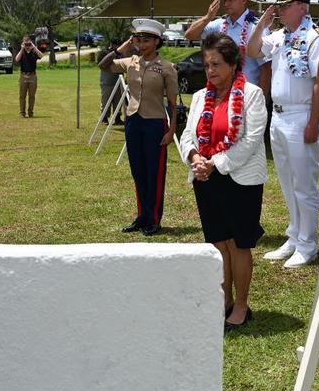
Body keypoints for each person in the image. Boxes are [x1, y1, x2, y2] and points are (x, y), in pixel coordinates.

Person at [180, 32, 268, 331]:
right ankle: (223, 300)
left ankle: (241, 305)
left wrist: (215, 164)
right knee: (218, 244)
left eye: (216, 64)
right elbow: (188, 135)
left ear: (233, 64)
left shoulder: (252, 94)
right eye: (206, 65)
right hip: (205, 178)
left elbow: (252, 139)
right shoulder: (199, 97)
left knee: (238, 244)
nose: (211, 71)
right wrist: (195, 159)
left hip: (240, 180)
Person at [246, 0, 319, 268]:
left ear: (302, 7)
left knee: (304, 184)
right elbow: (253, 49)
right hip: (280, 114)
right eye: (279, 6)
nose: (280, 10)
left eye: (286, 5)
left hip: (302, 113)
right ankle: (294, 236)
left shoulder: (314, 37)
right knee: (286, 181)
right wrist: (261, 24)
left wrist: (314, 121)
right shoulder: (280, 36)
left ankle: (308, 244)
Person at [99, 19, 178, 236]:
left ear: (156, 42)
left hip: (155, 123)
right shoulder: (130, 62)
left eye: (146, 40)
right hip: (133, 121)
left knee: (155, 172)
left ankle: (154, 219)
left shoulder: (167, 68)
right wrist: (120, 48)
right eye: (138, 40)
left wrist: (171, 131)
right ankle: (142, 216)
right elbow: (103, 65)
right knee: (138, 171)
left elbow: (173, 103)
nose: (141, 44)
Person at [184, 0, 271, 94]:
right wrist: (208, 17)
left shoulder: (257, 28)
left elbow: (265, 67)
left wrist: (262, 100)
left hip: (247, 94)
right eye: (224, 0)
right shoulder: (219, 25)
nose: (226, 4)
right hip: (221, 93)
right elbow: (190, 35)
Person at [15, 35, 43, 118]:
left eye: (29, 44)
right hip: (23, 75)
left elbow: (41, 56)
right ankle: (22, 113)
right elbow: (16, 59)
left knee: (32, 95)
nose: (27, 46)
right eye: (26, 44)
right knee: (22, 95)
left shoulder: (34, 52)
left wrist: (34, 47)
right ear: (23, 44)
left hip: (32, 76)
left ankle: (30, 112)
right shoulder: (22, 52)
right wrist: (21, 49)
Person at [98, 38, 124, 125]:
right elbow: (102, 65)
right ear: (112, 44)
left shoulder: (121, 54)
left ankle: (117, 118)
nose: (118, 47)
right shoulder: (104, 53)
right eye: (117, 44)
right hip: (107, 81)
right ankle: (104, 118)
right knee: (106, 101)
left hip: (119, 81)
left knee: (118, 101)